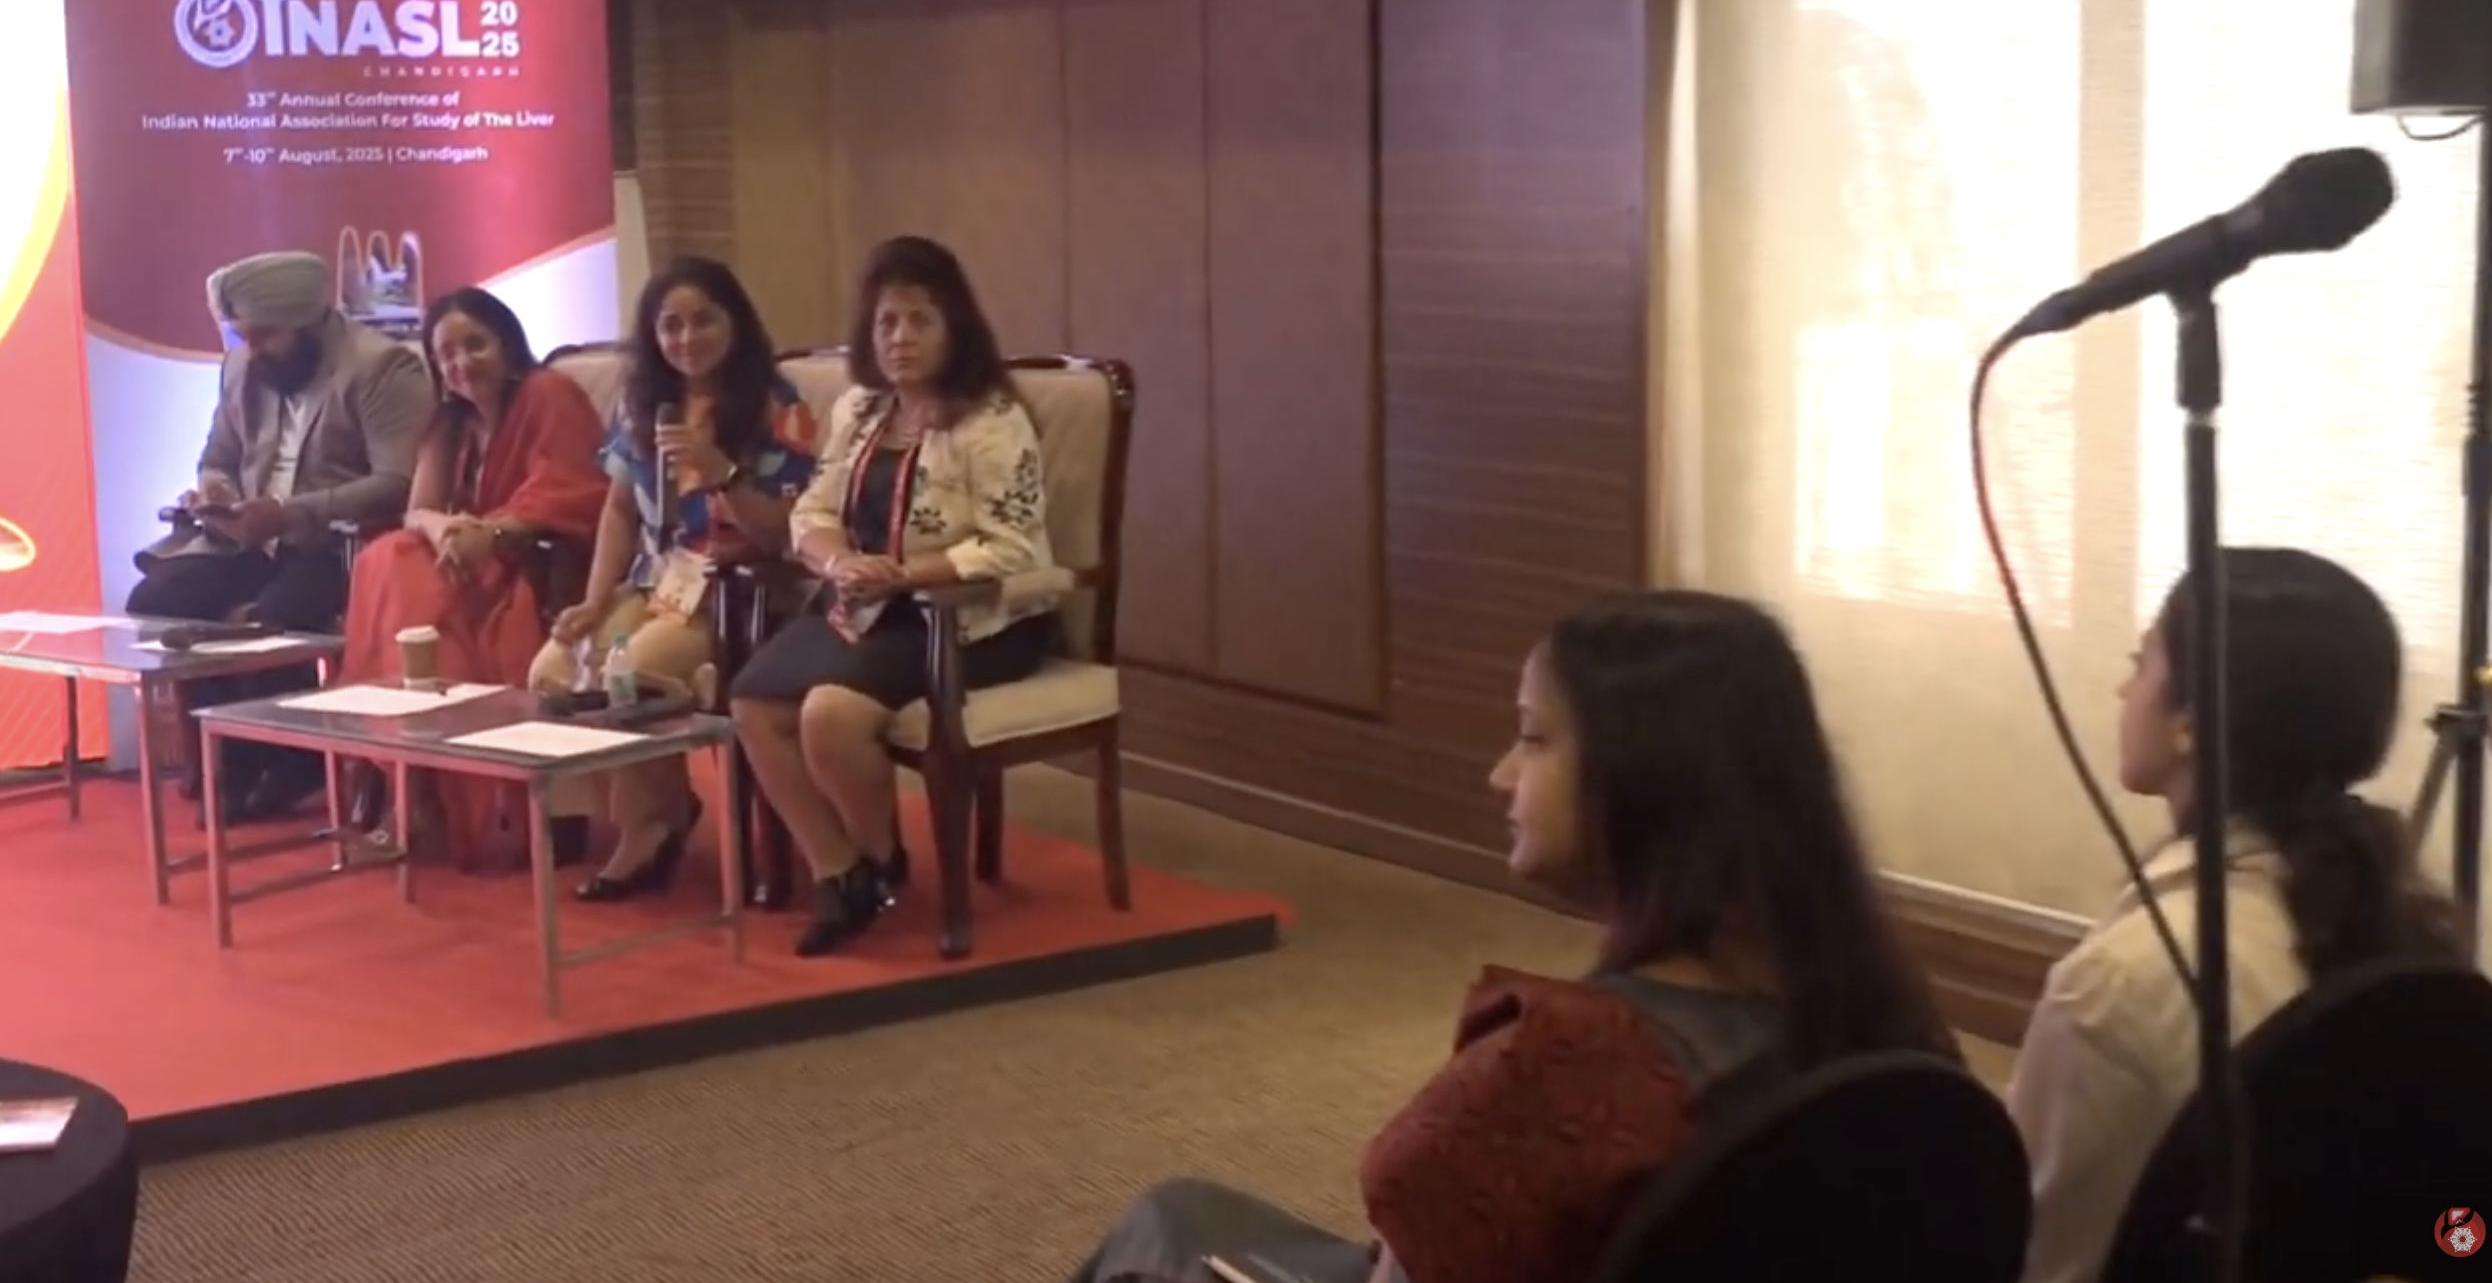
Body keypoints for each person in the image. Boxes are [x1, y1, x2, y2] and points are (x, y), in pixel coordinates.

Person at [1064, 591, 1958, 1283]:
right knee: (1188, 1211)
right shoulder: (1896, 1030)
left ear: (1643, 780)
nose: (1500, 774)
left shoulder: (1566, 1066)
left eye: (1532, 738)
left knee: (1162, 1234)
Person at [2008, 548, 2469, 1283]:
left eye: (2140, 662)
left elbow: (2038, 1254)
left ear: (2191, 723)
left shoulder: (2118, 984)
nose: (2123, 688)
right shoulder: (2403, 921)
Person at [729, 236, 1059, 958]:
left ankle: (882, 863)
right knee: (753, 702)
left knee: (829, 714)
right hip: (867, 602)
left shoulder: (991, 421)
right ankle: (841, 869)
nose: (900, 338)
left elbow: (1014, 548)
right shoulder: (860, 408)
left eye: (919, 320)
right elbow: (812, 511)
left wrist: (905, 575)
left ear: (954, 329)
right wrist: (839, 559)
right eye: (886, 322)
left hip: (969, 618)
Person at [527, 257, 818, 898]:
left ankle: (649, 826)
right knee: (553, 668)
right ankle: (655, 810)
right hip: (654, 584)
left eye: (704, 321)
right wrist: (594, 600)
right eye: (671, 325)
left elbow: (787, 534)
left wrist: (722, 472)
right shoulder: (645, 404)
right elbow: (619, 510)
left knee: (634, 671)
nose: (687, 339)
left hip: (738, 592)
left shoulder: (777, 405)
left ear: (735, 322)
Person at [131, 250, 434, 819]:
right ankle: (235, 760)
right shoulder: (242, 367)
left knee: (269, 622)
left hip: (335, 546)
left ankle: (290, 759)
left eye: (265, 336)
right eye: (243, 336)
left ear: (309, 323)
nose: (253, 350)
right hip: (248, 538)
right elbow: (217, 455)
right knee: (158, 601)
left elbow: (398, 483)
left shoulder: (381, 367)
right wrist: (215, 491)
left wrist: (288, 513)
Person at [338, 287, 609, 869]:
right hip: (463, 559)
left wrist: (492, 532)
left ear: (506, 343)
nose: (462, 363)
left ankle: (423, 794)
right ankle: (421, 786)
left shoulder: (547, 393)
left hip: (536, 563)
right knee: (391, 561)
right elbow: (418, 510)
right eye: (447, 354)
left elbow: (576, 490)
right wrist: (445, 529)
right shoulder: (450, 422)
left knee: (406, 579)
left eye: (475, 345)